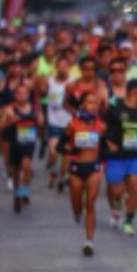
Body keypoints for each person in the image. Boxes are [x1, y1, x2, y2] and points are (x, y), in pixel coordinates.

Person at [104, 79, 137, 236]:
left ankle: (129, 221)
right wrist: (107, 142)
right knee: (116, 191)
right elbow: (102, 126)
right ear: (135, 91)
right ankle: (116, 209)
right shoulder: (115, 106)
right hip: (117, 155)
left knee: (134, 185)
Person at [59, 91, 105, 256]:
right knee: (77, 201)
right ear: (82, 105)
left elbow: (106, 148)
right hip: (77, 167)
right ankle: (77, 212)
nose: (93, 105)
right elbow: (61, 145)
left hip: (93, 167)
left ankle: (89, 241)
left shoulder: (101, 126)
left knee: (91, 204)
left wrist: (104, 164)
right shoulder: (73, 125)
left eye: (96, 102)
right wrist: (68, 149)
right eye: (90, 102)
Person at [0, 80, 42, 213]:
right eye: (19, 93)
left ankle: (25, 192)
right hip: (14, 142)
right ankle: (17, 195)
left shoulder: (34, 108)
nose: (22, 96)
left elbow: (40, 122)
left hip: (28, 142)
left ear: (28, 95)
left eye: (24, 93)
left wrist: (40, 121)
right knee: (16, 171)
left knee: (26, 166)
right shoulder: (9, 109)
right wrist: (10, 121)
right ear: (15, 95)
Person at [44, 53, 75, 192]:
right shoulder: (49, 81)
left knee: (67, 155)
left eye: (65, 66)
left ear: (69, 67)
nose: (62, 69)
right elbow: (37, 95)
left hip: (69, 124)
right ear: (56, 67)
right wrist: (39, 112)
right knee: (53, 152)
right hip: (54, 122)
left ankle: (62, 178)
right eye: (60, 66)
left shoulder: (74, 82)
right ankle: (52, 170)